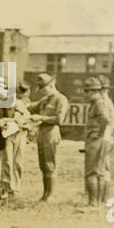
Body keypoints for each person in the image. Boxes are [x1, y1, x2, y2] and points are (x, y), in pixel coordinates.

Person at [81, 75, 114, 209]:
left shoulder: (99, 103)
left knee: (91, 172)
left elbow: (106, 120)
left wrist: (99, 133)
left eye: (87, 91)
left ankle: (93, 204)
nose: (85, 94)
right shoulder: (100, 102)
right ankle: (97, 202)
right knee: (100, 172)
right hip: (102, 139)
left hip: (96, 140)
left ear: (93, 91)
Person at [31, 72, 68, 202]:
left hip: (51, 133)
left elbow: (59, 119)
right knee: (43, 165)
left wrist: (41, 118)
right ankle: (45, 194)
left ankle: (51, 195)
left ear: (52, 85)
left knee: (50, 164)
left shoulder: (61, 99)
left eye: (44, 89)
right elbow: (31, 108)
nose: (42, 92)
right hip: (42, 133)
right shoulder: (44, 100)